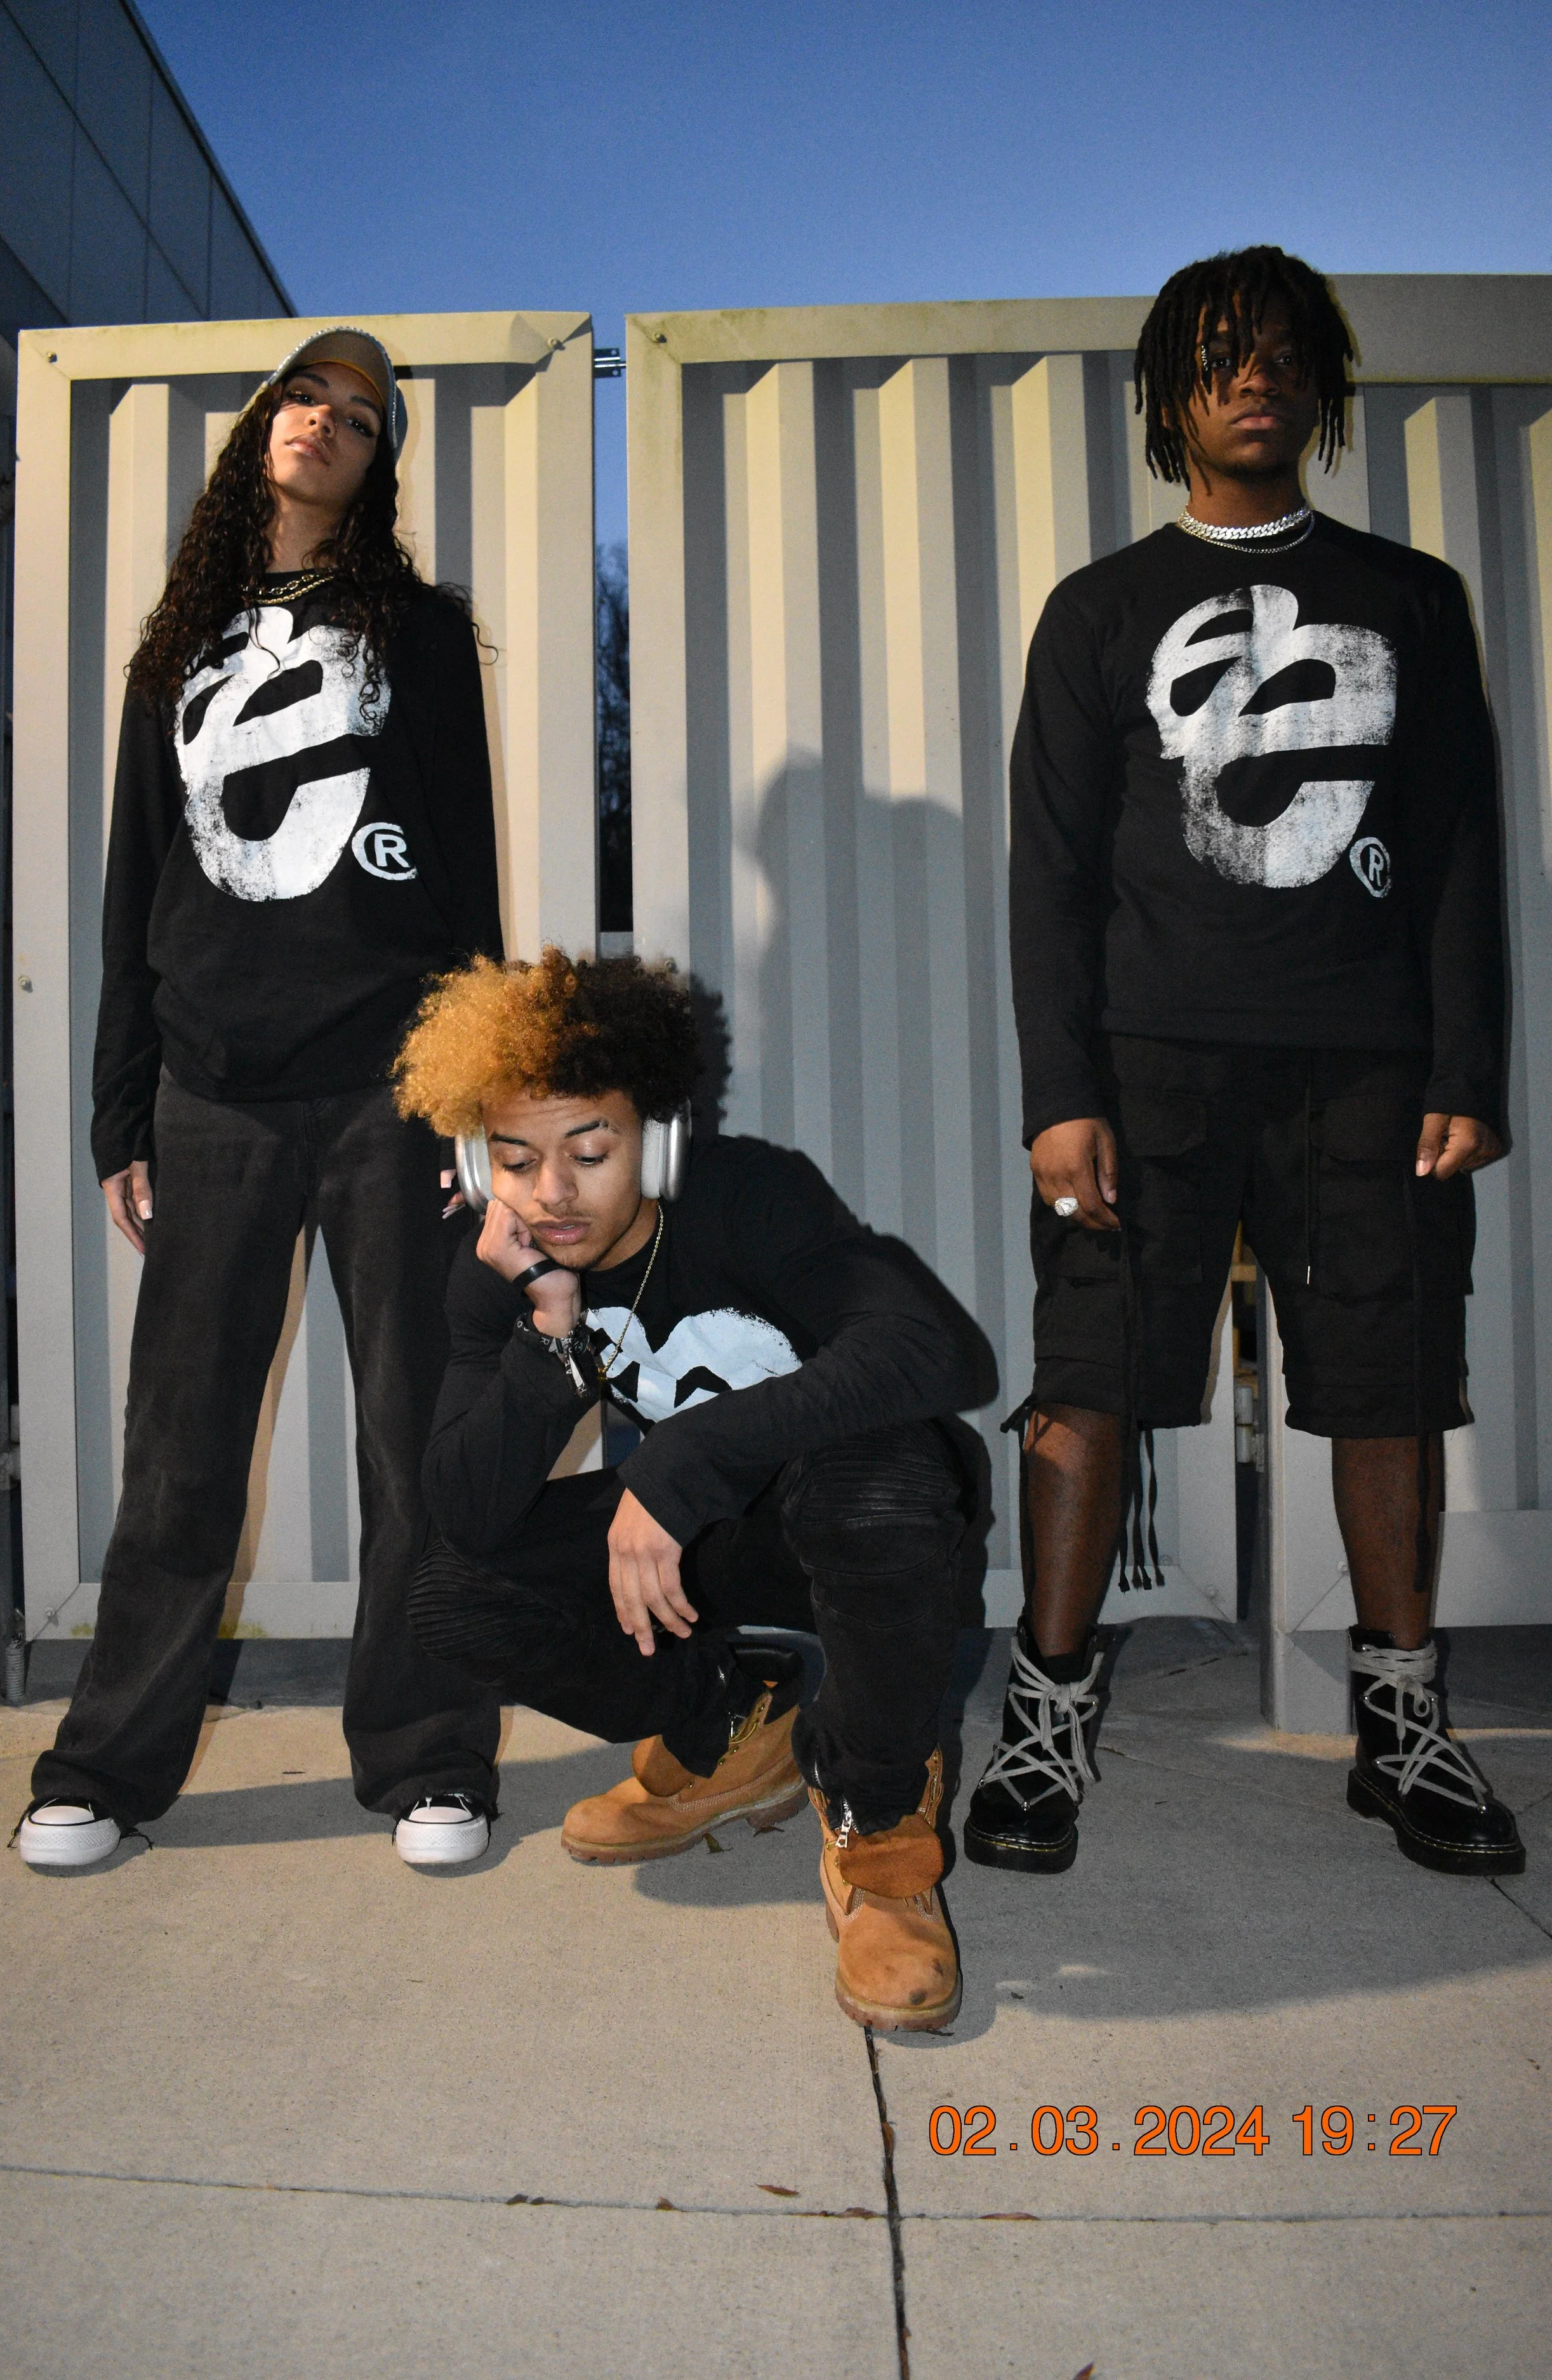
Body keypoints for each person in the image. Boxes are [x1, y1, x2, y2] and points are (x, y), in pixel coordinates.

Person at [965, 246, 1524, 1885]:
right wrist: (1056, 1089)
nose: (1253, 374)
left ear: (1318, 384)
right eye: (1217, 352)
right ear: (1167, 392)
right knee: (1082, 1383)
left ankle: (1400, 1724)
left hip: (1368, 1069)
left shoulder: (1411, 598)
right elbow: (1046, 871)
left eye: (1281, 350)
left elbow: (1456, 855)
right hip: (1145, 1076)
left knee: (1390, 1386)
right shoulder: (1097, 611)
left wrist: (1467, 1063)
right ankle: (1046, 1712)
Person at [20, 328, 506, 1872]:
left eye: (362, 421)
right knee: (179, 1454)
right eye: (307, 398)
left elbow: (465, 881)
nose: (327, 425)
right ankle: (103, 1769)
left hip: (385, 1087)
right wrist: (122, 1115)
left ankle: (429, 1755)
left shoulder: (419, 637)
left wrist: (472, 1095)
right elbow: (132, 891)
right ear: (258, 430)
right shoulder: (176, 646)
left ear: (377, 472)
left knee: (411, 1443)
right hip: (211, 1095)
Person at [392, 948, 997, 2032]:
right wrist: (549, 1331)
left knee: (878, 1472)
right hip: (716, 1555)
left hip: (871, 1539)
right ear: (482, 1167)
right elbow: (466, 1514)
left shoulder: (749, 1195)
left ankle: (882, 1828)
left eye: (589, 1150)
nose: (554, 1192)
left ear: (660, 1139)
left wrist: (678, 1461)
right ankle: (734, 1720)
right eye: (517, 1159)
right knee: (448, 1591)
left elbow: (934, 1351)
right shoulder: (507, 1266)